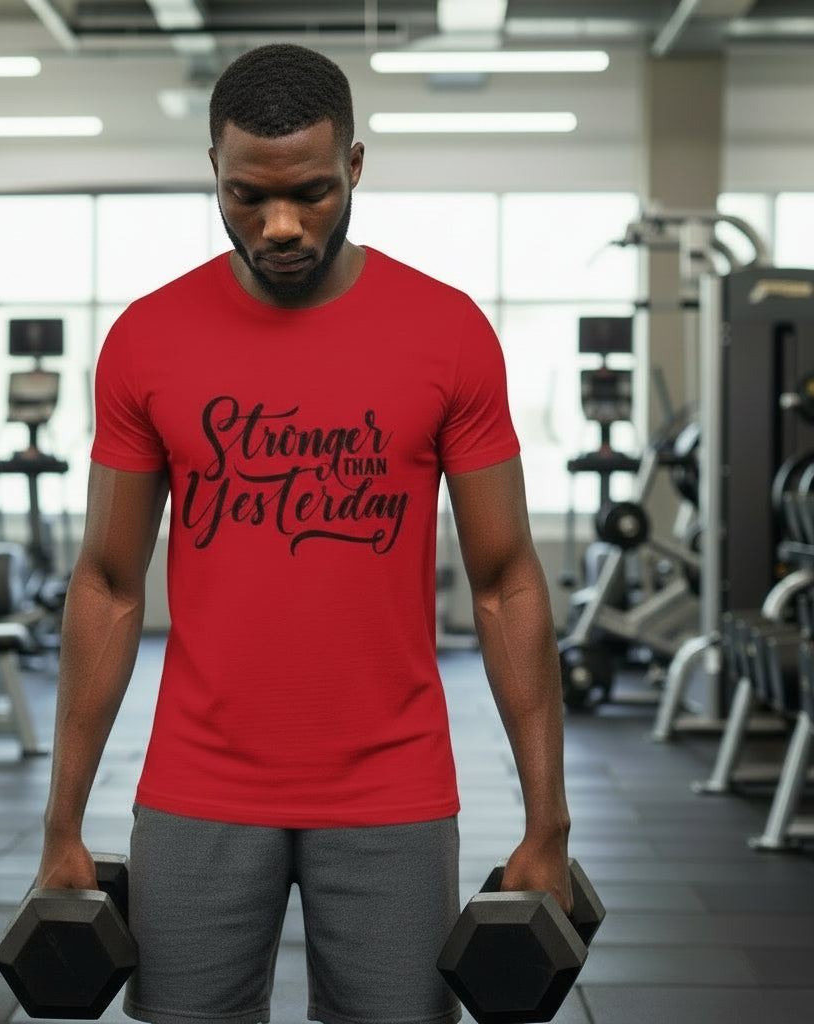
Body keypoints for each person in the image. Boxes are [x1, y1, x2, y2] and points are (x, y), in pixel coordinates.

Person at [34, 41, 573, 1024]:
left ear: (355, 167)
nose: (280, 225)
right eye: (247, 196)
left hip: (393, 789)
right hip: (197, 786)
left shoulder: (446, 332)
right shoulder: (149, 339)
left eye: (314, 193)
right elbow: (108, 584)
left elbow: (505, 581)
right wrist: (60, 819)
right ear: (213, 171)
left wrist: (549, 817)